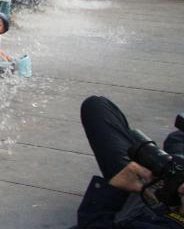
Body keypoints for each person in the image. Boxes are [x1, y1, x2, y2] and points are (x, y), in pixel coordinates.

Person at [78, 95, 184, 228]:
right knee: (96, 105)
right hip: (164, 183)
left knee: (96, 106)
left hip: (144, 200)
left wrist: (114, 188)